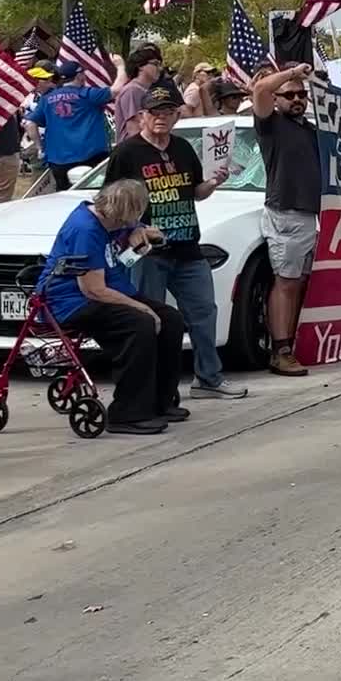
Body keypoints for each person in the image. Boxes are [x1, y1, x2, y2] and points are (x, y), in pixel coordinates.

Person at [102, 82, 247, 399]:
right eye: (155, 112)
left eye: (168, 112)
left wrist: (213, 182)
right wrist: (134, 227)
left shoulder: (182, 149)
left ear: (176, 116)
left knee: (204, 312)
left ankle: (208, 379)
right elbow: (108, 201)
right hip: (147, 254)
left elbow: (196, 193)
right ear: (142, 115)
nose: (161, 118)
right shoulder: (126, 153)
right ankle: (152, 386)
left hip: (188, 248)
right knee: (150, 318)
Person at [37, 179, 186, 435]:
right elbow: (93, 289)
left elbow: (149, 231)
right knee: (140, 324)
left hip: (110, 291)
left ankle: (159, 401)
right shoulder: (85, 230)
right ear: (122, 213)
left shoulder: (115, 219)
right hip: (72, 300)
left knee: (171, 319)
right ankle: (127, 413)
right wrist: (143, 309)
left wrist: (144, 232)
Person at [250, 63, 321, 376]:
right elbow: (260, 90)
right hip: (286, 214)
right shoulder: (270, 124)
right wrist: (295, 72)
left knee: (302, 283)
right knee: (287, 283)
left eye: (301, 94)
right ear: (277, 99)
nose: (296, 98)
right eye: (289, 94)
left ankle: (293, 343)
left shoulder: (309, 129)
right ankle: (281, 350)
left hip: (313, 215)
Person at [29, 57, 131, 191]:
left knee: (64, 198)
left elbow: (30, 123)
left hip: (58, 160)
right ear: (79, 76)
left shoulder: (47, 99)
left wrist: (40, 147)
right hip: (91, 157)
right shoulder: (88, 94)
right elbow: (117, 89)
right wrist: (121, 66)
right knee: (95, 196)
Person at [114, 44, 166, 139]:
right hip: (134, 150)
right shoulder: (132, 90)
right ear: (140, 66)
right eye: (155, 64)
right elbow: (134, 127)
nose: (160, 68)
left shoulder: (145, 90)